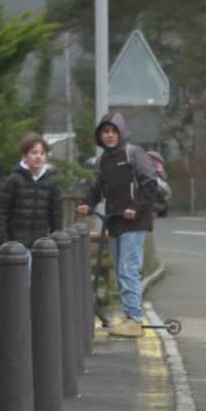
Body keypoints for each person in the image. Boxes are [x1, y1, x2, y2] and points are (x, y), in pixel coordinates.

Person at [77, 112, 158, 338]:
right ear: (100, 135)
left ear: (121, 132)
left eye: (114, 131)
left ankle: (134, 319)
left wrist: (136, 207)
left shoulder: (134, 154)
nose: (110, 136)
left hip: (134, 220)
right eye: (105, 132)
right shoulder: (105, 160)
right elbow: (97, 187)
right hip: (115, 221)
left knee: (128, 269)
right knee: (122, 270)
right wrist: (86, 203)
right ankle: (129, 316)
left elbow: (150, 183)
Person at [0, 134, 63, 252]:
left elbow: (56, 215)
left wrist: (54, 241)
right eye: (34, 153)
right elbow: (1, 213)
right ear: (25, 156)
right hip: (16, 245)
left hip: (41, 245)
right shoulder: (13, 180)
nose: (38, 157)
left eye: (42, 153)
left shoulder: (51, 183)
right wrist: (4, 242)